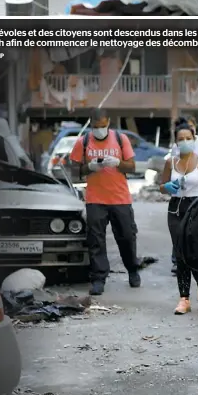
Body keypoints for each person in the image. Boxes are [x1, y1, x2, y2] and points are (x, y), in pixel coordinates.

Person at [70, 109, 141, 296]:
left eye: (102, 126)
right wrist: (91, 167)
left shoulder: (120, 139)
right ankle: (98, 278)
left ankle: (133, 269)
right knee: (96, 240)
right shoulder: (83, 142)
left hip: (120, 198)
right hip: (95, 199)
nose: (99, 130)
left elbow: (132, 167)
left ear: (108, 122)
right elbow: (74, 171)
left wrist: (117, 162)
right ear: (91, 124)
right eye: (96, 127)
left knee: (126, 236)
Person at [161, 122, 198, 314]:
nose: (185, 142)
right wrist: (167, 187)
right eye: (180, 139)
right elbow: (161, 185)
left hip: (196, 208)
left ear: (194, 139)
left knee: (196, 251)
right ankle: (184, 298)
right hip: (175, 210)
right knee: (180, 252)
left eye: (188, 138)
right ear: (175, 142)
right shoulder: (170, 162)